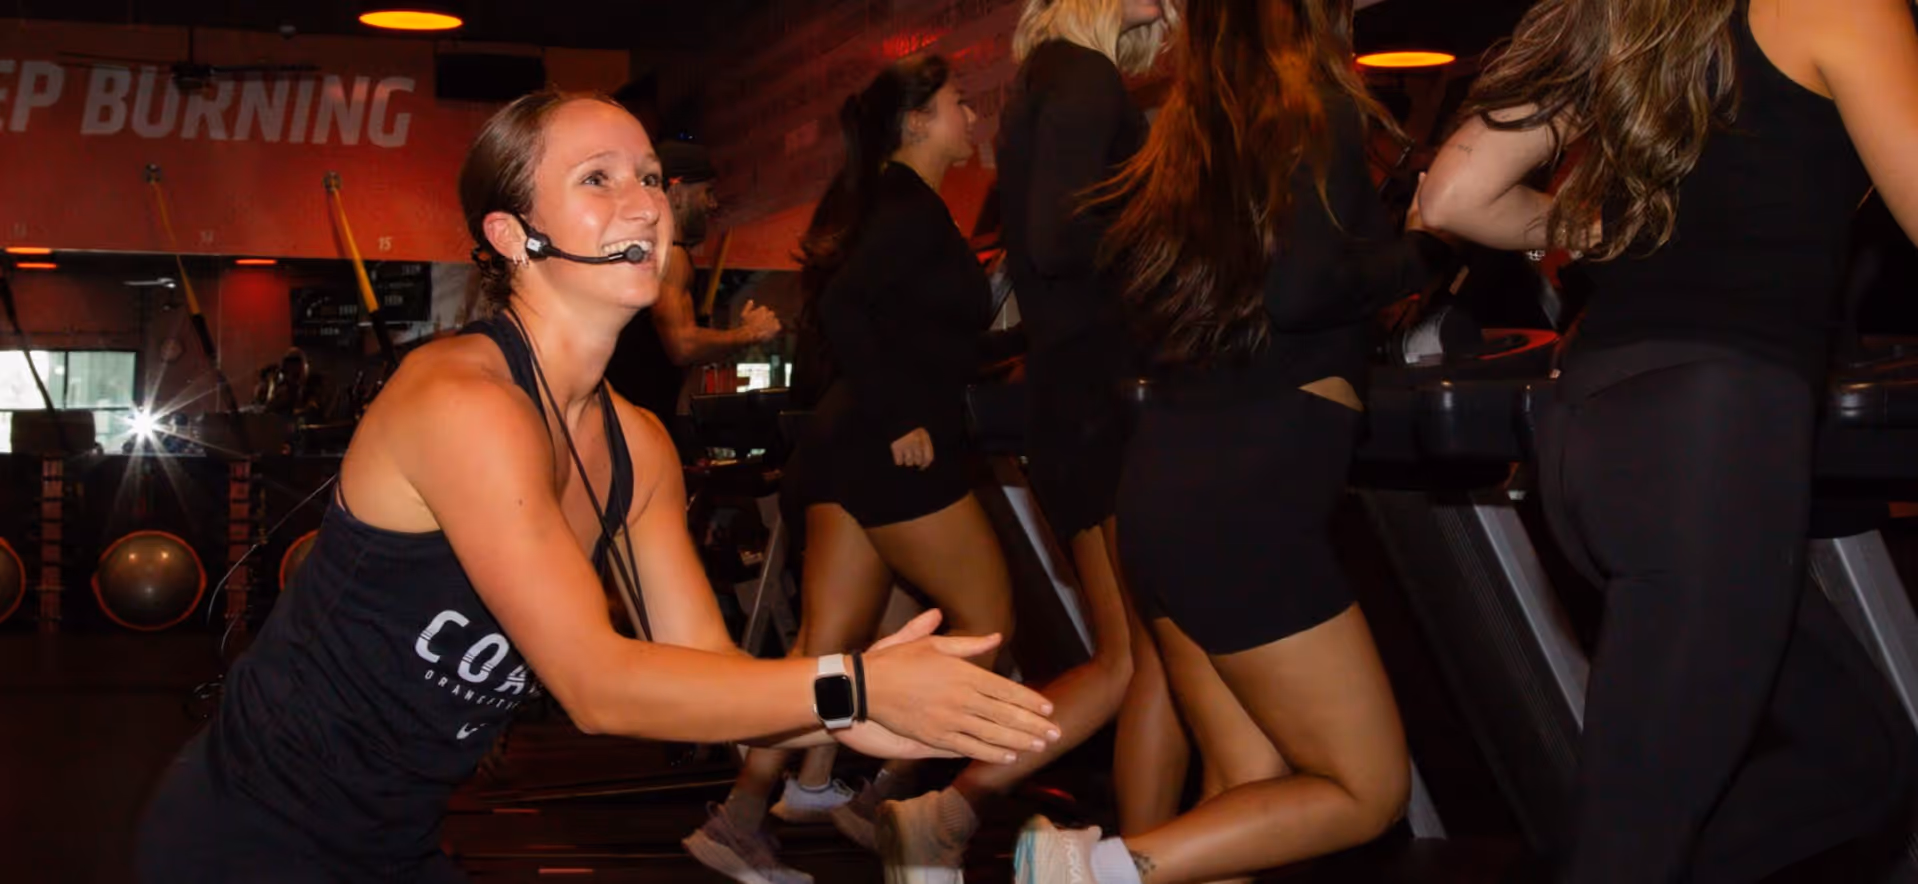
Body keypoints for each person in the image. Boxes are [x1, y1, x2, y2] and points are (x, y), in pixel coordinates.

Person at [133, 88, 1060, 883]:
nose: (645, 204)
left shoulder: (637, 446)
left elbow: (704, 668)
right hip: (248, 834)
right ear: (512, 235)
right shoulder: (463, 401)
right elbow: (597, 687)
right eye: (598, 179)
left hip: (397, 839)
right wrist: (848, 687)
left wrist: (856, 713)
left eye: (651, 177)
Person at [1417, 0, 1918, 880]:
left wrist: (1586, 230)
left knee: (1857, 762)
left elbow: (1452, 195)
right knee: (1632, 847)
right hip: (1708, 441)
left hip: (1590, 432)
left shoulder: (1635, 17)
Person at [1016, 0, 1454, 880]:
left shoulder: (1185, 142)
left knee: (1246, 783)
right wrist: (1428, 252)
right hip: (1250, 501)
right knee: (1363, 789)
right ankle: (1091, 871)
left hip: (1169, 486)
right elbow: (1301, 293)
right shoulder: (1306, 109)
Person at [684, 54, 1021, 884]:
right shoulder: (908, 207)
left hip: (844, 448)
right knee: (988, 631)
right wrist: (903, 411)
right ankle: (890, 798)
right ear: (915, 123)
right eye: (958, 107)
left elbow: (926, 336)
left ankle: (739, 819)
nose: (972, 119)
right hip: (886, 447)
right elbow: (842, 310)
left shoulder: (898, 205)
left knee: (827, 649)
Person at [988, 0, 1188, 846]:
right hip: (1102, 398)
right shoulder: (1082, 75)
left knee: (1127, 661)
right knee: (1159, 664)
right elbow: (1059, 238)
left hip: (1071, 396)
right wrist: (1178, 234)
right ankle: (1140, 863)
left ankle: (943, 810)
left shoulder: (1049, 78)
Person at [603, 139, 782, 448]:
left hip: (634, 422)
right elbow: (683, 345)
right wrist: (749, 334)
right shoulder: (671, 257)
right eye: (706, 192)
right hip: (636, 429)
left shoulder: (649, 253)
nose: (712, 204)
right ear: (676, 193)